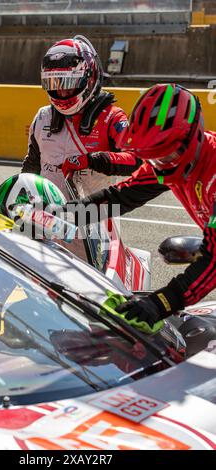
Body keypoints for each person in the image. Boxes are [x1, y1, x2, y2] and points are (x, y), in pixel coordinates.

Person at [62, 83, 216, 329]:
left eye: (163, 156)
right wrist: (64, 217)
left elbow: (215, 260)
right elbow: (122, 196)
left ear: (191, 140)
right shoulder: (165, 163)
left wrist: (162, 303)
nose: (158, 166)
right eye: (151, 157)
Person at [22, 35, 141, 199]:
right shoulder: (43, 117)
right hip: (48, 215)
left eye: (69, 85)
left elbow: (136, 160)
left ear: (90, 79)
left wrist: (92, 160)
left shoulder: (111, 118)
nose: (62, 92)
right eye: (55, 84)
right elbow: (31, 166)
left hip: (94, 217)